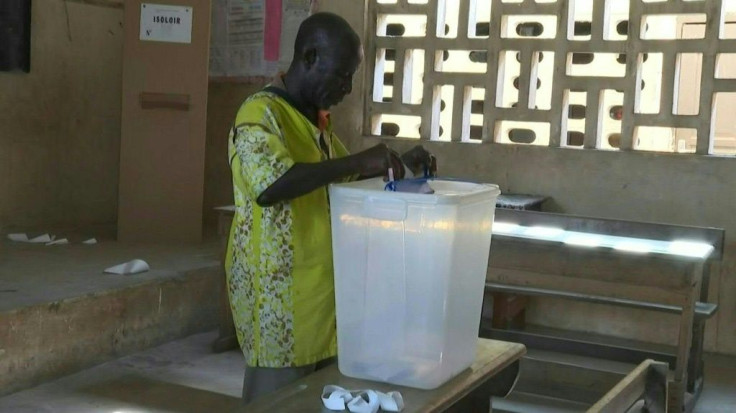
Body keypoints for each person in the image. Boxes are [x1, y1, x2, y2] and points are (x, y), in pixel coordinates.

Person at [225, 12, 433, 404]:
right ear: (309, 57)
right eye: (341, 75)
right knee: (276, 403)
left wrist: (401, 161)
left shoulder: (316, 123)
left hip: (321, 299)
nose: (348, 88)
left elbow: (345, 181)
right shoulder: (259, 114)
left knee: (319, 401)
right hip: (278, 304)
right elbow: (271, 185)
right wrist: (359, 161)